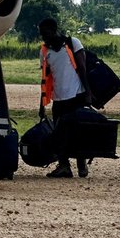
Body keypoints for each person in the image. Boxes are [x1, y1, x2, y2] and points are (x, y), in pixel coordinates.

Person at [38, 17, 94, 179]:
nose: (43, 37)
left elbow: (82, 69)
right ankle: (64, 166)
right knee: (58, 134)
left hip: (76, 96)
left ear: (54, 30)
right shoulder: (44, 52)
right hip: (58, 99)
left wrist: (88, 93)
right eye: (41, 34)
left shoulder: (73, 43)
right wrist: (42, 104)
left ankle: (81, 164)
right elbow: (44, 79)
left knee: (78, 132)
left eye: (45, 33)